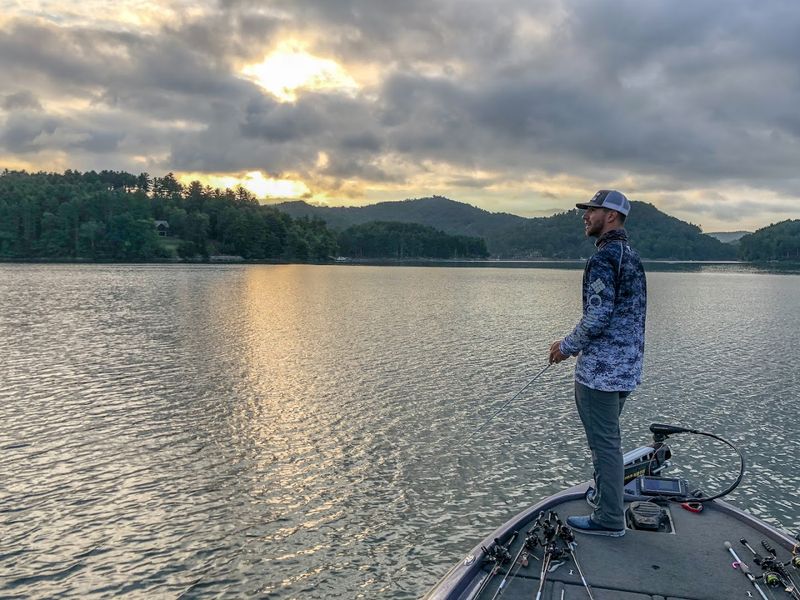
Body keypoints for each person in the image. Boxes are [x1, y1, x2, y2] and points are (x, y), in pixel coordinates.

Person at [548, 190, 647, 537]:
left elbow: (598, 315)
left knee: (604, 444)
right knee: (609, 440)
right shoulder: (630, 256)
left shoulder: (604, 258)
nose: (585, 215)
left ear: (612, 215)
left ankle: (608, 518)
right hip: (625, 370)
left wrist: (566, 346)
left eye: (592, 210)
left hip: (600, 375)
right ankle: (606, 499)